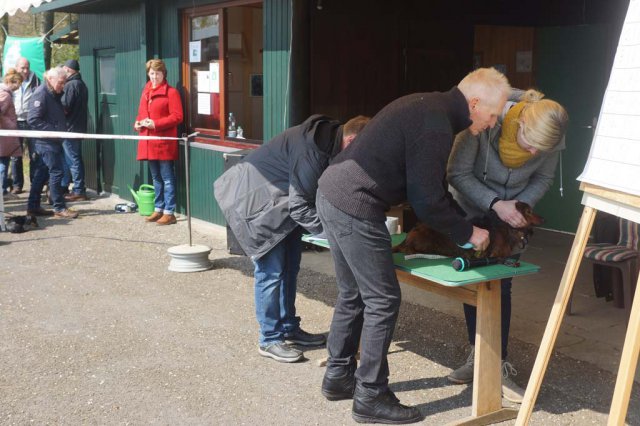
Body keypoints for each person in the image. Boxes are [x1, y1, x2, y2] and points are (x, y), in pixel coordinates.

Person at [315, 67, 511, 424]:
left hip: (332, 191)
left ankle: (338, 377)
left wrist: (465, 225)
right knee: (382, 299)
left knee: (353, 294)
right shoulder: (436, 124)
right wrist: (469, 234)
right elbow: (427, 201)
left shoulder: (429, 107)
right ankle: (371, 396)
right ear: (476, 102)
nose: (493, 122)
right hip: (356, 204)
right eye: (493, 114)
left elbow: (431, 190)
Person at [214, 114, 370, 363]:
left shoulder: (328, 141)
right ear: (350, 140)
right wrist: (335, 237)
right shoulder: (312, 150)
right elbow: (300, 208)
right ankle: (269, 338)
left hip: (279, 201)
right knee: (271, 272)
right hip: (253, 202)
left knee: (290, 268)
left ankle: (289, 328)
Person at [446, 89, 568, 403]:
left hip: (512, 213)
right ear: (521, 123)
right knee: (475, 284)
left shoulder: (550, 135)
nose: (532, 154)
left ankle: (497, 364)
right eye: (530, 144)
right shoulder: (483, 119)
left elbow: (543, 177)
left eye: (540, 150)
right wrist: (494, 203)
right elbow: (457, 172)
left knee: (503, 286)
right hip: (473, 208)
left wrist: (518, 207)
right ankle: (478, 357)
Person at [134, 59, 184, 225]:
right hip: (149, 141)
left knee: (167, 177)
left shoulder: (172, 92)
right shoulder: (146, 90)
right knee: (156, 177)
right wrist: (138, 123)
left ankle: (169, 212)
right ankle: (158, 208)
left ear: (164, 74)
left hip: (163, 142)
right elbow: (142, 113)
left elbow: (177, 116)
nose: (154, 76)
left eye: (157, 73)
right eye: (152, 73)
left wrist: (155, 124)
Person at [27, 66, 77, 219]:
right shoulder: (41, 94)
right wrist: (53, 129)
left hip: (53, 140)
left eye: (64, 83)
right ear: (50, 79)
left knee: (41, 174)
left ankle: (33, 206)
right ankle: (59, 207)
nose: (63, 86)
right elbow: (33, 119)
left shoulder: (53, 93)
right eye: (61, 83)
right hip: (46, 142)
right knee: (57, 173)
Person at [10, 57, 40, 194]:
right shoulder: (10, 80)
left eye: (27, 67)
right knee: (16, 155)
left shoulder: (36, 80)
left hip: (32, 122)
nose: (25, 70)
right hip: (15, 121)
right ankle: (17, 185)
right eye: (22, 67)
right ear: (16, 67)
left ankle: (35, 183)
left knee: (34, 154)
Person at [61, 59, 89, 202]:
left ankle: (78, 189)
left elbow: (65, 107)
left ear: (68, 70)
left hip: (70, 128)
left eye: (64, 70)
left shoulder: (71, 85)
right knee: (71, 158)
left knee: (73, 159)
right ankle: (66, 186)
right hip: (76, 127)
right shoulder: (81, 84)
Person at [0, 69, 24, 199]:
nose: (19, 87)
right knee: (3, 163)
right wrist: (8, 124)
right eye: (18, 84)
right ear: (12, 82)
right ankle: (2, 191)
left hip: (5, 134)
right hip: (5, 135)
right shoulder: (5, 95)